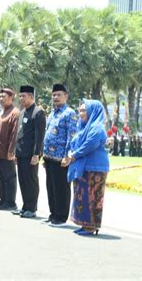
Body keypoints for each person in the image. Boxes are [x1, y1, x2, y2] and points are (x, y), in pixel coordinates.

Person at [67, 99, 109, 236]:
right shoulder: (83, 127)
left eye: (84, 110)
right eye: (80, 110)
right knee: (82, 197)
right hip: (83, 167)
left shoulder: (97, 128)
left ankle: (91, 226)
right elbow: (75, 142)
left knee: (92, 198)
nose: (81, 113)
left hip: (95, 168)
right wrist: (70, 151)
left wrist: (75, 154)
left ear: (93, 111)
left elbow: (89, 145)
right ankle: (84, 224)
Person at [43, 84, 77, 227]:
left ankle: (61, 216)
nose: (55, 97)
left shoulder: (70, 113)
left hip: (61, 157)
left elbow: (72, 136)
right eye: (54, 95)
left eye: (59, 95)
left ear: (66, 96)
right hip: (49, 157)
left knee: (61, 187)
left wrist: (67, 156)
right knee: (51, 187)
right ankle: (53, 214)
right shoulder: (52, 113)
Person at [12, 85, 46, 219]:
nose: (21, 99)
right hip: (21, 153)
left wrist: (36, 154)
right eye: (20, 96)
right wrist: (16, 153)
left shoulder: (38, 112)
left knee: (31, 181)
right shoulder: (22, 112)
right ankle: (25, 206)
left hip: (31, 155)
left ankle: (31, 208)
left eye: (23, 96)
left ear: (31, 97)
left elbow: (39, 136)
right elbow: (19, 134)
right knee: (23, 180)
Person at [0, 88, 20, 211]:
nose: (1, 99)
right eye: (0, 97)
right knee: (1, 176)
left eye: (4, 97)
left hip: (6, 152)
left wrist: (11, 152)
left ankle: (10, 202)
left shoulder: (14, 112)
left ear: (11, 98)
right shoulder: (2, 111)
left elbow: (14, 134)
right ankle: (3, 200)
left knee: (9, 177)